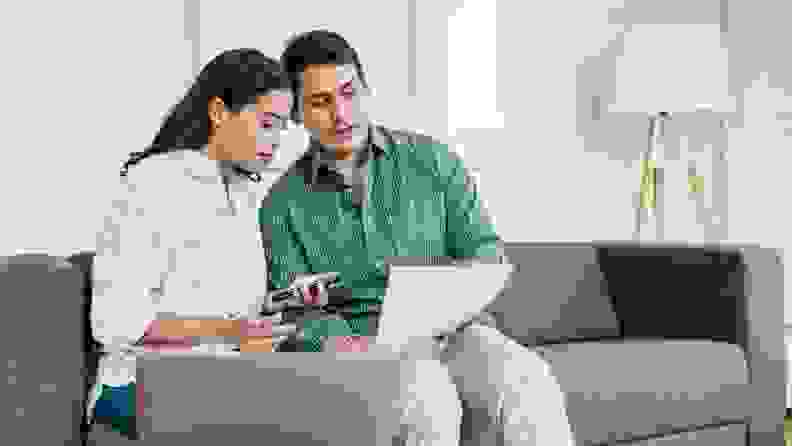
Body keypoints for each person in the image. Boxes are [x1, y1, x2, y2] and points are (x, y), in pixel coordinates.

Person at [262, 30, 577, 445]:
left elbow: (483, 250)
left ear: (366, 88)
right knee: (427, 400)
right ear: (298, 114)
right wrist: (345, 343)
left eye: (348, 92)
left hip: (457, 332)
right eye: (321, 102)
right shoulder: (281, 204)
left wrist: (454, 297)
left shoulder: (434, 162)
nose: (341, 113)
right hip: (365, 346)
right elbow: (294, 308)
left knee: (526, 380)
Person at [89, 48, 318, 439]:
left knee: (344, 394)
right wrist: (231, 332)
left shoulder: (245, 191)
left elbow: (220, 304)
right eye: (266, 123)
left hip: (218, 378)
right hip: (139, 387)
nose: (275, 141)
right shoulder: (154, 184)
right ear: (218, 113)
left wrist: (286, 300)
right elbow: (116, 323)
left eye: (282, 127)